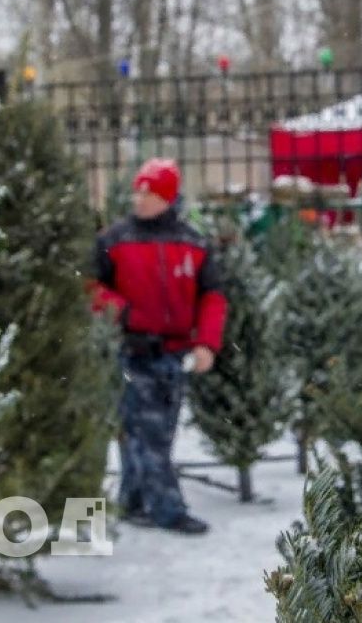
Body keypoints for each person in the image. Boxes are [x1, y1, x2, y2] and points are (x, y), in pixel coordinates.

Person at [86, 158, 226, 535]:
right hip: (132, 350)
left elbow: (212, 297)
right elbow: (90, 286)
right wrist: (121, 312)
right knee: (149, 431)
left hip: (175, 352)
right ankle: (167, 508)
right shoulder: (114, 241)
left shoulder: (193, 244)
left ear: (168, 197)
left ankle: (133, 500)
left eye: (149, 192)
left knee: (154, 429)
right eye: (139, 190)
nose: (140, 198)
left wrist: (206, 345)